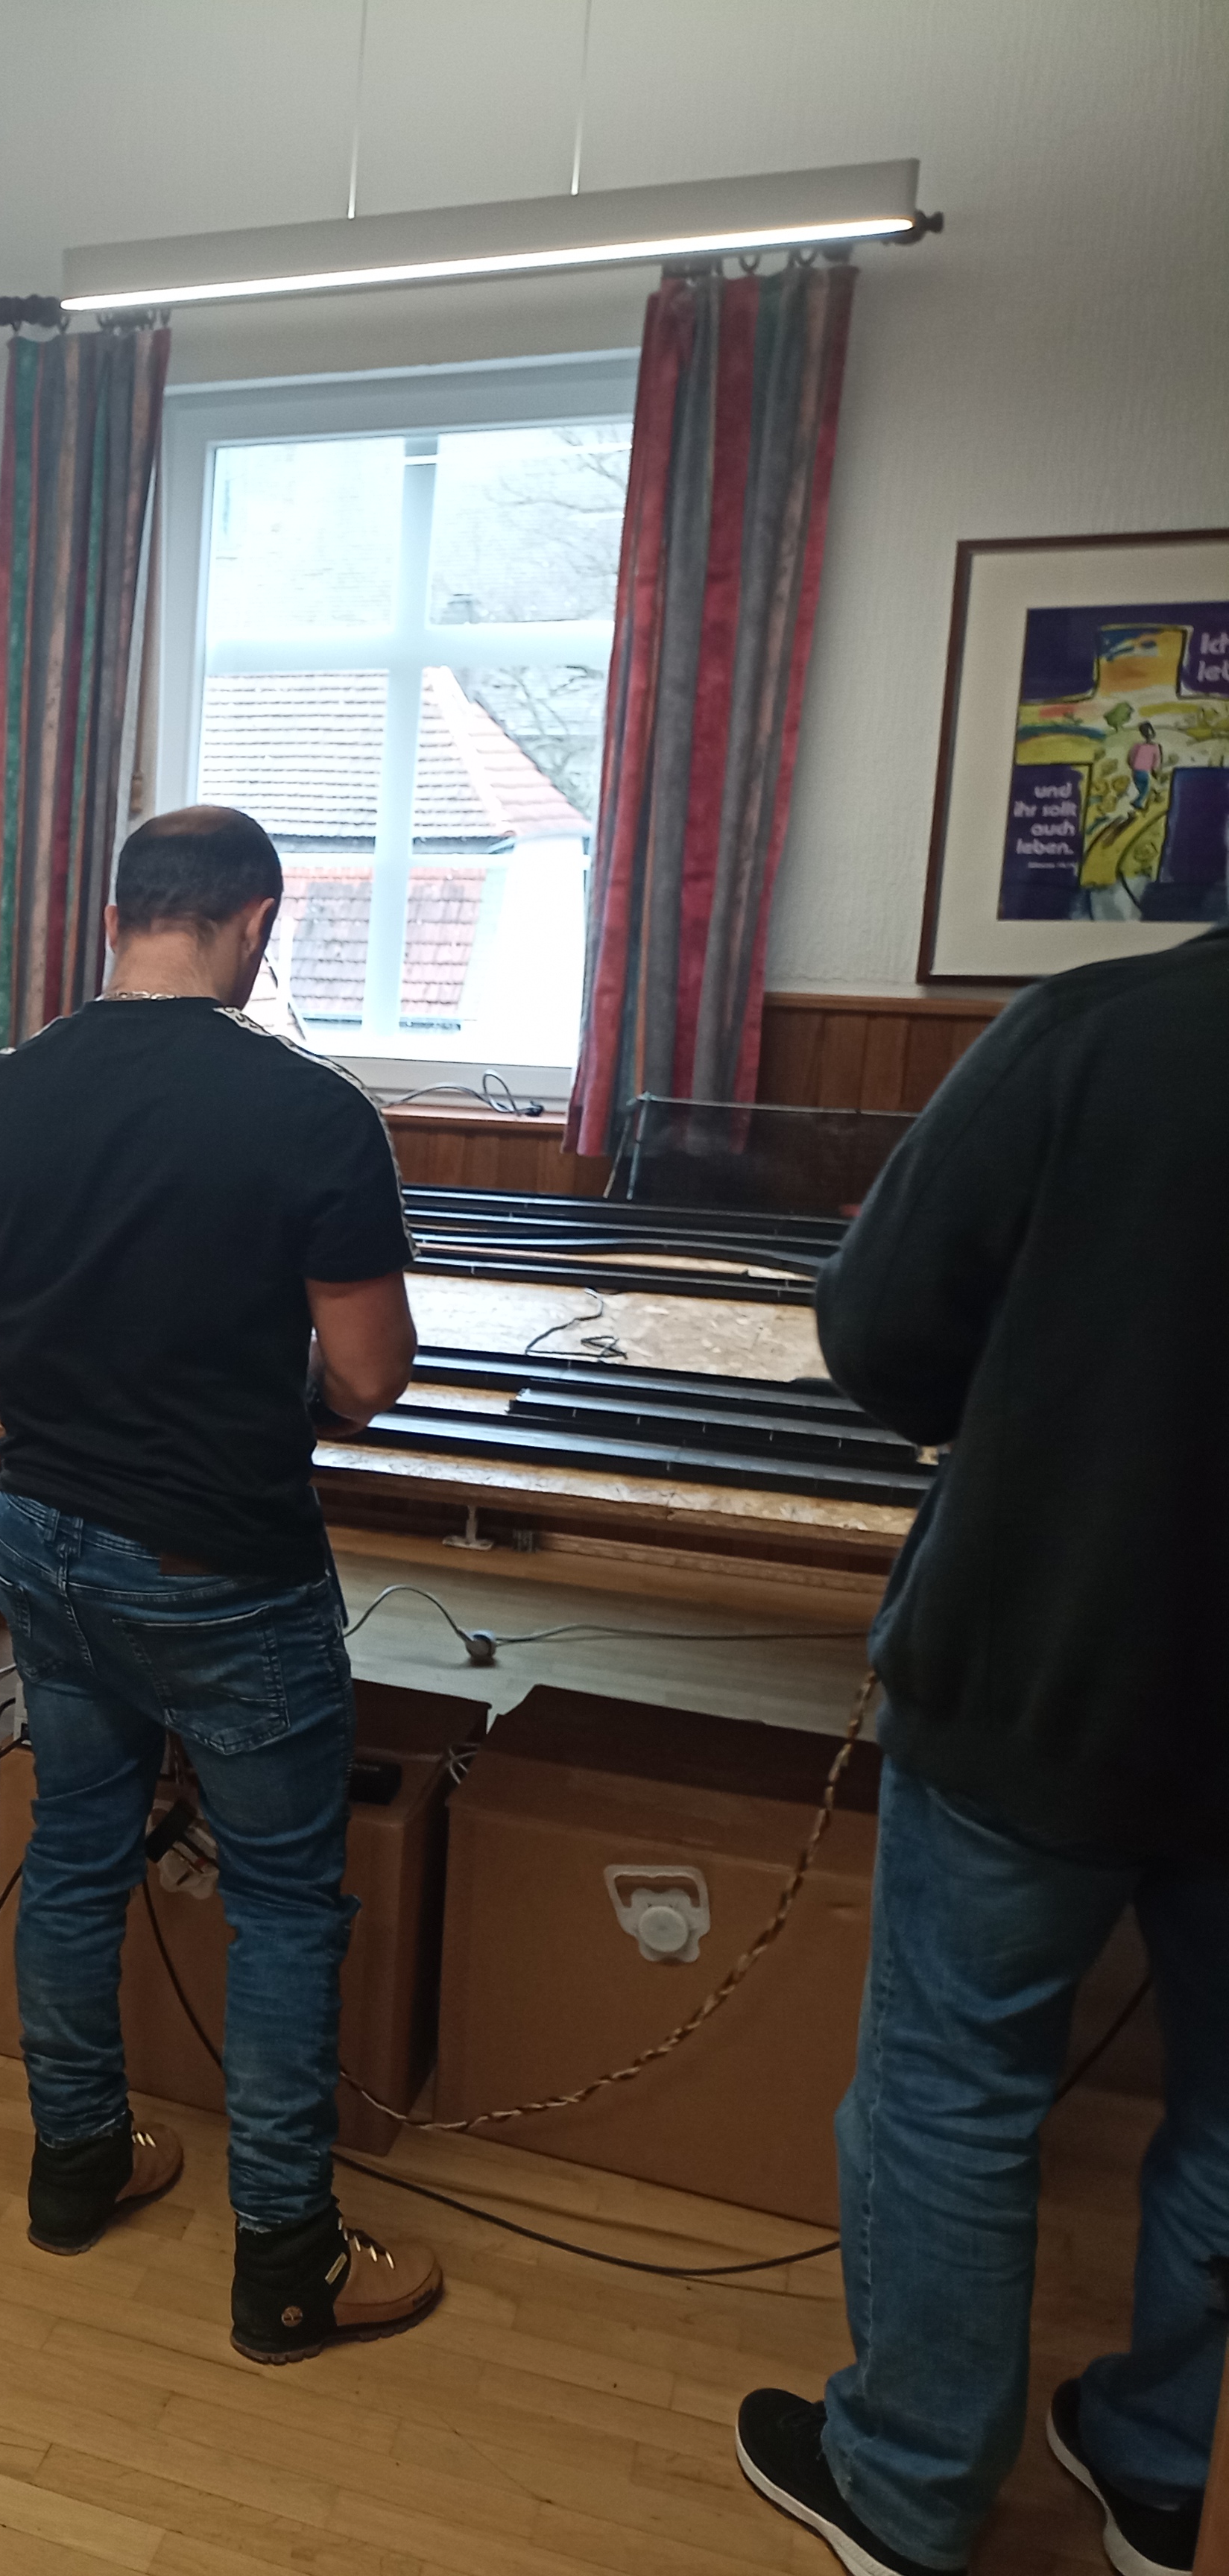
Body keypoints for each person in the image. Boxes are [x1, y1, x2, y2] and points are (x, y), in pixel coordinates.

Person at [734, 924, 1226, 2576]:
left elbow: (880, 1333)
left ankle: (908, 2485)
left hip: (1044, 1668)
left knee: (953, 2091)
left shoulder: (1099, 1031)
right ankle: (1177, 2473)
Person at [0, 804, 440, 2364]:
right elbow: (371, 1372)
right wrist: (260, 1389)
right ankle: (286, 2261)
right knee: (282, 1904)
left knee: (79, 1850)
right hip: (221, 1562)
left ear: (117, 917)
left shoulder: (0, 1092)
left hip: (43, 1533)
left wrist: (81, 1368)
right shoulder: (311, 1112)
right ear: (256, 921)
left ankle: (79, 2165)